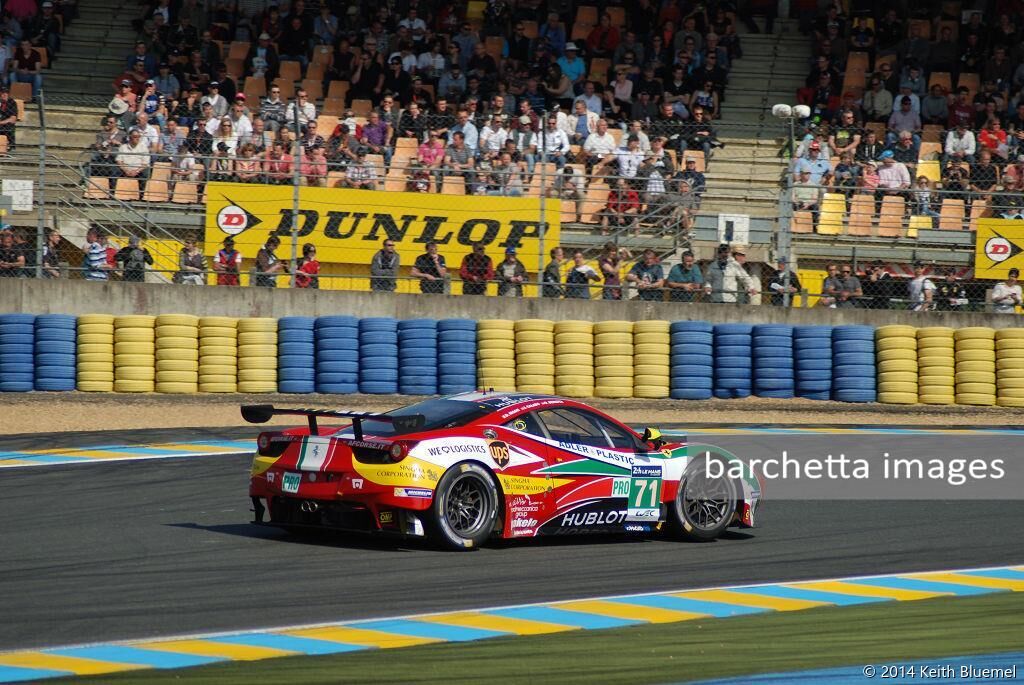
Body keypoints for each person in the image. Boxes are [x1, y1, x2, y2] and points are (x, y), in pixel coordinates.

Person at [0, 86, 19, 152]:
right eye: (2, 93)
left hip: (5, 124)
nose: (5, 94)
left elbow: (13, 119)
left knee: (10, 125)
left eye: (6, 93)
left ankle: (12, 146)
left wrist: (1, 122)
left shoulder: (12, 103)